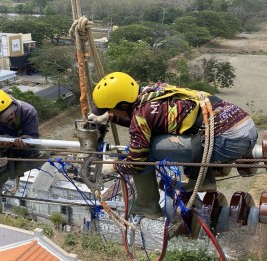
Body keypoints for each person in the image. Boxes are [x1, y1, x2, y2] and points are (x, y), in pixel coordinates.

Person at [89, 72, 258, 218]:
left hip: (229, 141)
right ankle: (203, 179)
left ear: (123, 105)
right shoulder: (153, 91)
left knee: (146, 152)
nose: (109, 112)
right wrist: (112, 118)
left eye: (110, 109)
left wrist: (114, 166)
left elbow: (136, 161)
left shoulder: (141, 115)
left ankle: (147, 205)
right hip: (244, 128)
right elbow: (148, 123)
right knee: (164, 139)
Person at [0, 88, 48, 200]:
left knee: (43, 154)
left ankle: (2, 175)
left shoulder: (27, 111)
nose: (11, 116)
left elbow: (34, 136)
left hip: (20, 144)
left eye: (11, 111)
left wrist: (27, 140)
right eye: (5, 117)